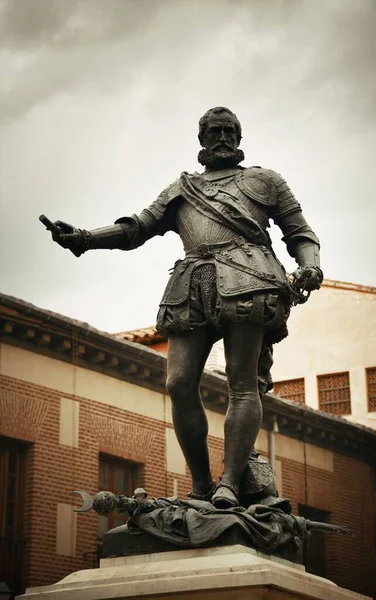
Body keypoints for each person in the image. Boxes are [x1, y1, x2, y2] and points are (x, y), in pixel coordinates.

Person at [46, 107, 322, 509]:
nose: (222, 137)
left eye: (230, 131)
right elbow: (136, 228)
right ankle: (202, 485)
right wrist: (85, 238)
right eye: (214, 132)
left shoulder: (266, 180)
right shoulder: (181, 188)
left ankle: (230, 482)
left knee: (241, 382)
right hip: (190, 285)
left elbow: (300, 233)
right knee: (177, 382)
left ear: (240, 138)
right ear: (202, 140)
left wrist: (309, 264)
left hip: (248, 278)